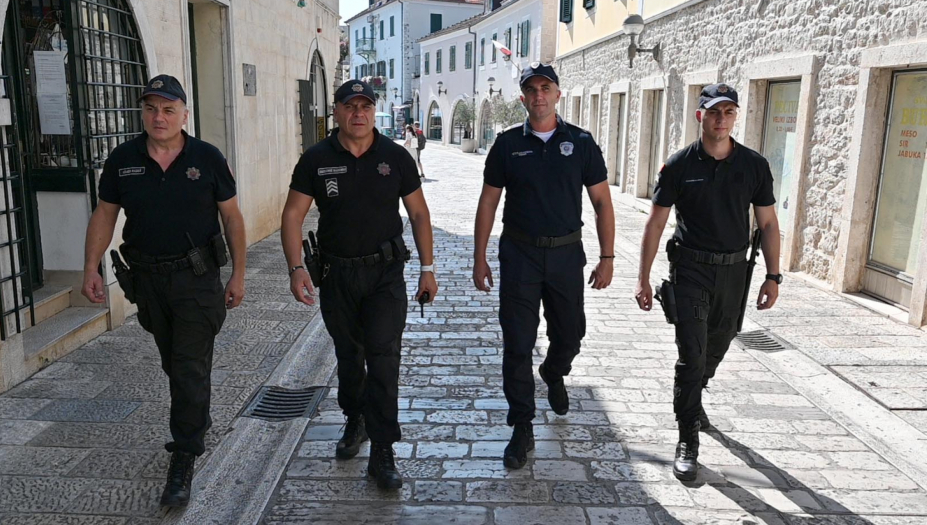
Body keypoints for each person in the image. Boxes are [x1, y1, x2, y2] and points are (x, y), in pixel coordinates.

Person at [81, 74, 246, 507]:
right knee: (175, 363)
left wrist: (239, 274)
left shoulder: (207, 158)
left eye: (168, 109)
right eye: (151, 108)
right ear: (143, 112)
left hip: (197, 279)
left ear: (184, 115)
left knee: (188, 367)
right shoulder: (123, 159)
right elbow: (104, 214)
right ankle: (196, 418)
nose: (159, 117)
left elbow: (232, 217)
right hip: (149, 282)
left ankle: (184, 455)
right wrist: (91, 267)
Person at [281, 79, 438, 490]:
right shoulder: (316, 159)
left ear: (373, 111)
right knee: (349, 356)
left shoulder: (395, 157)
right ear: (336, 111)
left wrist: (427, 268)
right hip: (337, 275)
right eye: (350, 106)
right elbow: (293, 214)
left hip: (385, 275)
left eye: (365, 106)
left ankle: (383, 449)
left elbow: (419, 214)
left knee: (384, 356)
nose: (358, 113)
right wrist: (296, 267)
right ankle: (356, 419)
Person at [634, 83, 781, 482]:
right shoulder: (679, 165)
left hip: (734, 273)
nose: (721, 119)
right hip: (690, 270)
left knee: (720, 342)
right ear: (700, 115)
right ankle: (688, 440)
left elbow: (768, 223)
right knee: (692, 355)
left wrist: (773, 276)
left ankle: (695, 394)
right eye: (714, 112)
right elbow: (656, 223)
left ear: (736, 117)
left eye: (729, 112)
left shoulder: (754, 166)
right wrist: (643, 278)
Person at [472, 63, 615, 470]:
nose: (539, 95)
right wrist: (479, 256)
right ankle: (522, 426)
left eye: (545, 88)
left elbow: (602, 203)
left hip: (567, 255)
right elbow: (488, 202)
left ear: (557, 94)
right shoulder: (507, 145)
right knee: (517, 343)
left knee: (570, 334)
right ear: (523, 98)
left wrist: (607, 257)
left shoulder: (581, 143)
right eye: (532, 89)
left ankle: (554, 371)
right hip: (520, 255)